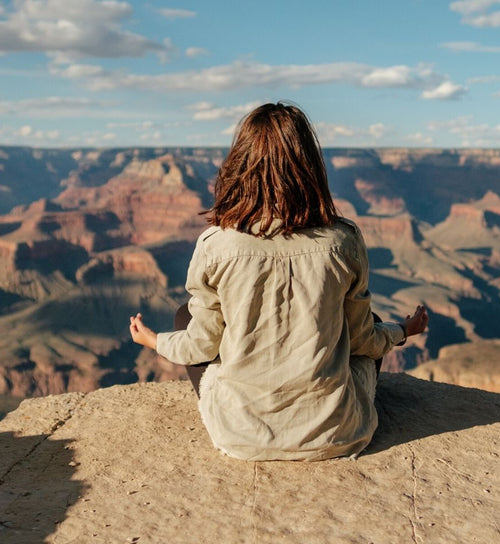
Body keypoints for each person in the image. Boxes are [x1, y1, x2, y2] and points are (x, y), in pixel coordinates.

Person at [129, 102, 428, 461]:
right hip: (337, 434)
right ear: (310, 167)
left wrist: (153, 340)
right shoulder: (343, 240)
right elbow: (363, 340)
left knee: (184, 318)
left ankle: (248, 417)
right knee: (373, 322)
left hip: (240, 437)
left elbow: (201, 347)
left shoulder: (216, 244)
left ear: (239, 165)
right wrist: (402, 331)